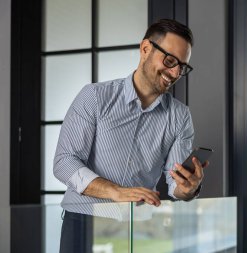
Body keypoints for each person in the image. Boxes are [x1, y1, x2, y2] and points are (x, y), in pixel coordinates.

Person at [54, 19, 208, 252]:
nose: (175, 72)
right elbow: (64, 162)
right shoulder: (95, 97)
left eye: (182, 67)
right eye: (170, 61)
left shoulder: (180, 117)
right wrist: (116, 192)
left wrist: (186, 189)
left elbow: (174, 181)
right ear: (145, 49)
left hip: (138, 228)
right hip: (83, 222)